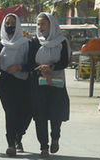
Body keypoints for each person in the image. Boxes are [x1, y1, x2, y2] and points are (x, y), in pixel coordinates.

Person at [28, 12, 70, 158]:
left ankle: (55, 138)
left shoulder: (61, 41)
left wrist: (51, 68)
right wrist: (41, 71)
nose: (40, 27)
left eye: (43, 24)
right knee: (40, 116)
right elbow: (30, 62)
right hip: (39, 84)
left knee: (55, 114)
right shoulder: (34, 42)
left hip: (56, 84)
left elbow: (65, 61)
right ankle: (43, 147)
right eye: (38, 24)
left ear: (51, 25)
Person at [0, 13, 32, 157]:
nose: (10, 27)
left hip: (23, 83)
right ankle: (11, 144)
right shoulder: (0, 44)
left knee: (26, 113)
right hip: (6, 83)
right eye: (7, 24)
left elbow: (32, 64)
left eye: (13, 24)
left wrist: (19, 67)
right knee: (11, 113)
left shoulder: (26, 43)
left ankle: (18, 136)